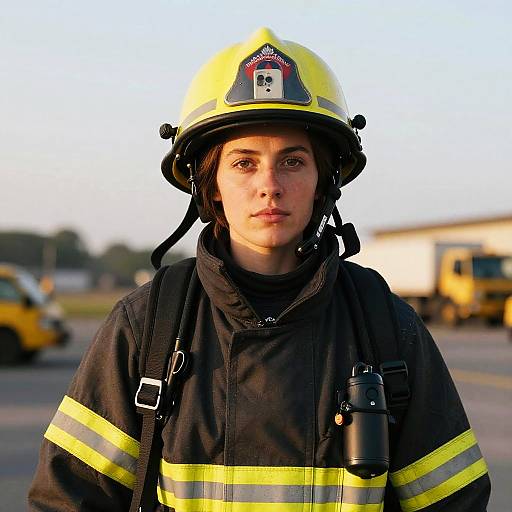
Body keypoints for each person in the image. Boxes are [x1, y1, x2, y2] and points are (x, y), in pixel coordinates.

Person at [29, 27, 490, 511]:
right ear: (210, 186)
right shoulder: (147, 326)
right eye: (244, 164)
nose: (269, 185)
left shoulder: (386, 326)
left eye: (292, 161)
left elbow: (455, 502)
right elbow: (66, 498)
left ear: (323, 183)